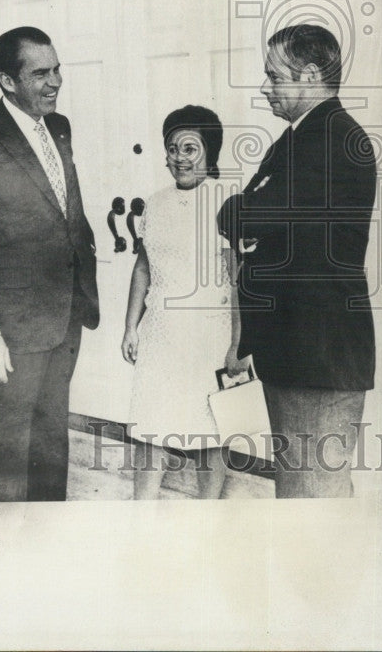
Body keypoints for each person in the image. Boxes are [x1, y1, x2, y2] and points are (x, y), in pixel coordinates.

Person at [0, 27, 99, 502]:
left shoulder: (59, 126)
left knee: (52, 431)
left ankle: (47, 536)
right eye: (40, 74)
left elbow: (66, 207)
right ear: (7, 81)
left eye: (57, 70)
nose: (55, 82)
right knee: (9, 440)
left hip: (66, 312)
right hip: (11, 328)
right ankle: (2, 549)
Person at [218, 24, 376, 498]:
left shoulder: (332, 139)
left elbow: (248, 213)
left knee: (311, 497)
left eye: (274, 75)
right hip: (297, 353)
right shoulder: (298, 138)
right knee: (302, 491)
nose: (265, 87)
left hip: (319, 357)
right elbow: (243, 215)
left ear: (308, 75)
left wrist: (244, 216)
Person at [121, 105, 245, 501]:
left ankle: (208, 508)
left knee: (211, 426)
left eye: (189, 148)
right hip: (160, 331)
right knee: (149, 423)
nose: (179, 157)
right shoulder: (155, 203)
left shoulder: (229, 201)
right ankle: (142, 507)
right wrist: (130, 327)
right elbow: (144, 267)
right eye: (172, 148)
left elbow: (242, 278)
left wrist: (239, 344)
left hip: (210, 332)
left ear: (211, 151)